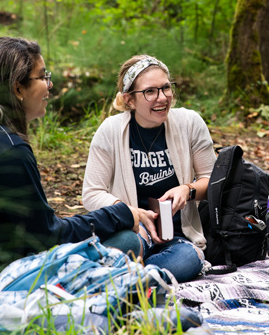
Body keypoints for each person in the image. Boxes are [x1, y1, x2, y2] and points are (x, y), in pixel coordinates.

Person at [0, 37, 141, 326]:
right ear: (17, 88)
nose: (49, 85)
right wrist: (121, 213)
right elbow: (46, 238)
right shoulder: (7, 148)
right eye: (43, 76)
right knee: (126, 241)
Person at [82, 55, 216, 282]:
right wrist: (132, 213)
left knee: (189, 259)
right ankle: (142, 276)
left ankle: (124, 277)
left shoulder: (190, 123)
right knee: (125, 244)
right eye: (150, 91)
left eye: (166, 88)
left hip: (175, 237)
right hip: (132, 230)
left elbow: (211, 180)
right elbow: (92, 194)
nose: (162, 98)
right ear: (129, 100)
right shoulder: (111, 131)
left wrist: (188, 189)